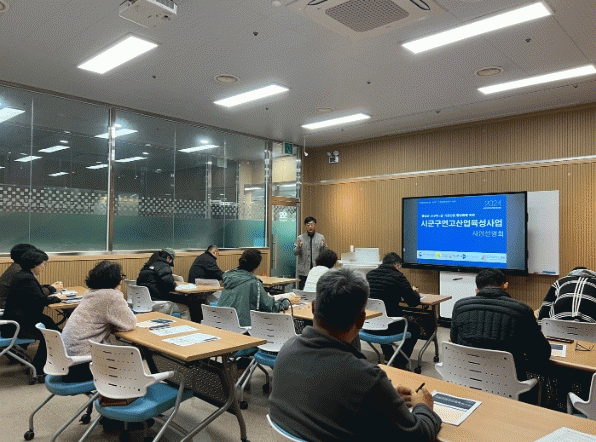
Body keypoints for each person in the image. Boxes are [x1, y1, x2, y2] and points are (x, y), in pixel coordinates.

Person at [269, 268, 441, 442]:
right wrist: (423, 407)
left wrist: (385, 399)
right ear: (361, 320)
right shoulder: (366, 379)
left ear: (313, 307)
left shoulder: (286, 350)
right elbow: (419, 436)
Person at [451, 268, 551, 381]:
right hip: (508, 384)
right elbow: (541, 354)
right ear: (505, 286)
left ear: (477, 290)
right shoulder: (522, 311)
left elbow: (454, 340)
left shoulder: (459, 307)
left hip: (467, 379)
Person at [61, 261, 136, 381]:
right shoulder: (111, 296)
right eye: (121, 276)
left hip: (66, 361)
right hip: (83, 365)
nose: (122, 280)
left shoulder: (90, 293)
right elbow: (130, 323)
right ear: (115, 279)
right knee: (132, 363)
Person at [2, 248, 62, 375]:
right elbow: (40, 300)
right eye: (43, 264)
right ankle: (39, 369)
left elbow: (36, 294)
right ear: (34, 264)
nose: (44, 268)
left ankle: (48, 365)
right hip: (19, 325)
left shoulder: (23, 275)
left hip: (23, 319)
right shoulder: (26, 278)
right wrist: (58, 298)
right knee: (52, 335)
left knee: (54, 330)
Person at [365, 252, 422, 368]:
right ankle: (399, 363)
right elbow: (413, 302)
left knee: (382, 318)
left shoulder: (369, 275)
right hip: (388, 327)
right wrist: (415, 292)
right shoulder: (398, 276)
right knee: (415, 329)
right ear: (397, 265)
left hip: (368, 325)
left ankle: (388, 354)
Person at [218, 249, 300, 327]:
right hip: (241, 327)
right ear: (256, 266)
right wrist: (286, 302)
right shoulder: (253, 283)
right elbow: (269, 307)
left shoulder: (229, 277)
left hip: (221, 323)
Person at [0, 243, 63, 309]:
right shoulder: (20, 272)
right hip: (9, 306)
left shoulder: (18, 267)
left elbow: (32, 289)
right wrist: (52, 289)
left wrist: (49, 287)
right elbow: (35, 295)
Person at [136, 248, 191, 320]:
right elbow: (169, 285)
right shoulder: (163, 265)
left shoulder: (146, 266)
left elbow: (138, 282)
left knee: (182, 298)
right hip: (159, 303)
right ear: (168, 258)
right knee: (186, 306)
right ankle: (187, 326)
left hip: (144, 302)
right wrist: (175, 285)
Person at [294, 216, 327, 290]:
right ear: (305, 226)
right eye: (308, 225)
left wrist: (323, 247)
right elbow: (295, 253)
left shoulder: (321, 237)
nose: (310, 227)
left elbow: (325, 254)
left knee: (316, 288)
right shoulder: (300, 238)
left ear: (315, 225)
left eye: (312, 224)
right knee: (302, 289)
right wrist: (299, 247)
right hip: (304, 270)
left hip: (316, 268)